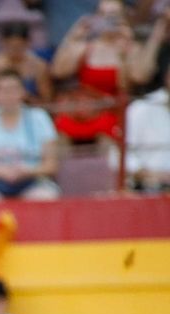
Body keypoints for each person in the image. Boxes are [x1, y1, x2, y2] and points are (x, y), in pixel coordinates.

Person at [0, 69, 59, 200]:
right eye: (2, 90)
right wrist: (0, 172)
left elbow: (50, 164)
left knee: (44, 196)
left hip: (31, 180)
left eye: (13, 89)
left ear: (23, 92)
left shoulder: (39, 117)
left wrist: (26, 171)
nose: (8, 94)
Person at [50, 0, 136, 144]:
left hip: (113, 110)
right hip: (85, 109)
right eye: (103, 15)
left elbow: (127, 85)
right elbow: (57, 71)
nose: (108, 20)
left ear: (123, 17)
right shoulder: (87, 48)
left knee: (106, 131)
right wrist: (73, 36)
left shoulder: (129, 48)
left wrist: (126, 47)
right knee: (62, 127)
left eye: (113, 15)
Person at [0, 22, 53, 106]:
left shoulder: (38, 67)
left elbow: (47, 103)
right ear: (3, 42)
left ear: (28, 43)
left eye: (19, 46)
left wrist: (25, 96)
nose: (14, 50)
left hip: (29, 113)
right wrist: (1, 96)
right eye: (10, 46)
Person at [119, 59, 170, 191]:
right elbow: (120, 154)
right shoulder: (141, 108)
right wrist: (144, 173)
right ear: (167, 77)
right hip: (148, 187)